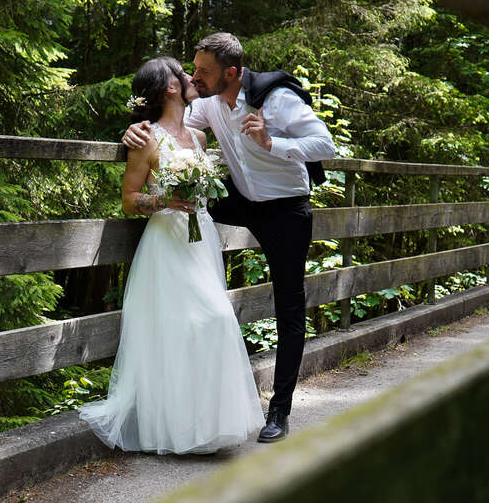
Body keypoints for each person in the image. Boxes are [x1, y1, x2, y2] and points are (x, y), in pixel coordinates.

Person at [122, 33, 336, 443]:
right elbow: (168, 129)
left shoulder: (277, 101)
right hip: (238, 202)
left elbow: (325, 143)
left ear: (231, 73)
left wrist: (273, 142)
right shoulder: (206, 104)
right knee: (197, 210)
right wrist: (132, 131)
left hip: (285, 208)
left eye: (203, 71)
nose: (195, 76)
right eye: (193, 70)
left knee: (289, 304)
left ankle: (279, 411)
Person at [79, 56, 265, 454]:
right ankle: (176, 431)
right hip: (166, 244)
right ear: (169, 86)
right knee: (181, 329)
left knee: (213, 321)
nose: (192, 77)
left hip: (200, 241)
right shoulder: (146, 138)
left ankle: (208, 427)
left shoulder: (198, 138)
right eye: (184, 73)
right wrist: (164, 198)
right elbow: (129, 200)